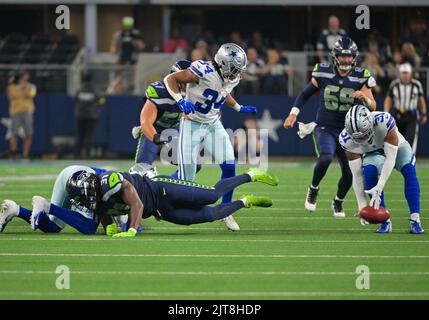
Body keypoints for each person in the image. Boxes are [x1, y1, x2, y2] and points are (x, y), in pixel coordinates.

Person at [164, 43, 258, 231]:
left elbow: (222, 94)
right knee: (186, 179)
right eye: (234, 70)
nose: (236, 74)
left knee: (229, 165)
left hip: (212, 124)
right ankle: (159, 194)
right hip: (191, 124)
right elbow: (170, 79)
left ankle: (226, 210)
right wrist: (180, 101)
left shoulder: (231, 78)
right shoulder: (203, 70)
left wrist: (239, 107)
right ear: (223, 64)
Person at [283, 36, 377, 218]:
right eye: (343, 56)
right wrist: (294, 113)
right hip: (325, 127)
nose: (346, 60)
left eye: (349, 56)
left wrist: (364, 98)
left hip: (349, 132)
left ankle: (338, 201)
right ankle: (313, 189)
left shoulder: (360, 76)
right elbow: (305, 94)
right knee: (325, 157)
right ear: (335, 56)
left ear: (354, 57)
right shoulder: (323, 72)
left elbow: (373, 106)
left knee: (350, 173)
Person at [95, 167, 278, 238]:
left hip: (163, 188)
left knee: (212, 195)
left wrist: (131, 230)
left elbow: (137, 205)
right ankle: (245, 202)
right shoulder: (99, 202)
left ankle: (251, 175)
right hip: (162, 211)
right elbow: (104, 211)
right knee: (210, 215)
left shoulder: (112, 181)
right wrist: (109, 228)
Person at [340, 104, 424, 234]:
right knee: (368, 172)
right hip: (372, 153)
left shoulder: (384, 121)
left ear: (370, 123)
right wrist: (362, 206)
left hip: (396, 147)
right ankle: (385, 222)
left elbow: (391, 158)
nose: (362, 140)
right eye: (357, 138)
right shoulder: (346, 140)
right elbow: (357, 175)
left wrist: (380, 185)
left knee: (409, 170)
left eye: (363, 135)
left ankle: (415, 220)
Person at [132, 59, 201, 177]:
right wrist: (158, 138)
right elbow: (146, 122)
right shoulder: (161, 92)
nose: (189, 85)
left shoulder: (196, 96)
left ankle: (167, 185)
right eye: (186, 80)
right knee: (141, 170)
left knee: (193, 164)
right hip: (154, 133)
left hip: (174, 133)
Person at [0, 165, 113, 235]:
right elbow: (103, 207)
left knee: (52, 227)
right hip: (84, 183)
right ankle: (46, 206)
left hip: (72, 174)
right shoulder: (118, 191)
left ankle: (15, 209)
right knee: (89, 227)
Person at [384, 63, 427, 153]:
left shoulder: (416, 84)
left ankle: (409, 159)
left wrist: (423, 113)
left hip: (411, 116)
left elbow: (421, 99)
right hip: (398, 115)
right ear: (400, 74)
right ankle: (397, 160)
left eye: (407, 73)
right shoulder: (394, 84)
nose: (405, 75)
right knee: (396, 138)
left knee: (410, 139)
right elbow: (388, 98)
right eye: (403, 73)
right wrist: (386, 112)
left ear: (411, 74)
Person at [7, 71, 37, 160]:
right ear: (20, 77)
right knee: (14, 133)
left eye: (26, 77)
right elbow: (12, 96)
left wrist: (24, 90)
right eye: (23, 77)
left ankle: (25, 154)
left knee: (29, 133)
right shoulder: (12, 86)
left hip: (28, 111)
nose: (25, 79)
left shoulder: (31, 86)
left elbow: (31, 94)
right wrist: (22, 90)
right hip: (15, 111)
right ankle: (14, 152)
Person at [74, 73, 103, 159]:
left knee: (80, 134)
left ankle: (77, 154)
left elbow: (76, 99)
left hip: (80, 115)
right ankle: (88, 154)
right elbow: (101, 99)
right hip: (92, 116)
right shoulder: (95, 89)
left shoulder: (79, 89)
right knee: (89, 135)